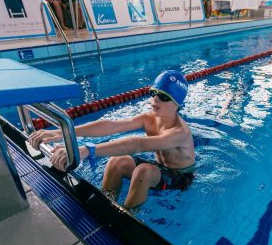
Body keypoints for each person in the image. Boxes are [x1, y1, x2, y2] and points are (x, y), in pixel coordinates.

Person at [28, 71, 195, 209]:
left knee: (144, 171)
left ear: (177, 103)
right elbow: (111, 126)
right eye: (154, 93)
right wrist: (61, 133)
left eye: (164, 97)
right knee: (117, 161)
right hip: (160, 168)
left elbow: (138, 144)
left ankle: (127, 216)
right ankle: (107, 204)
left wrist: (88, 150)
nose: (155, 99)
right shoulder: (149, 118)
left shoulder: (179, 132)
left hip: (180, 176)